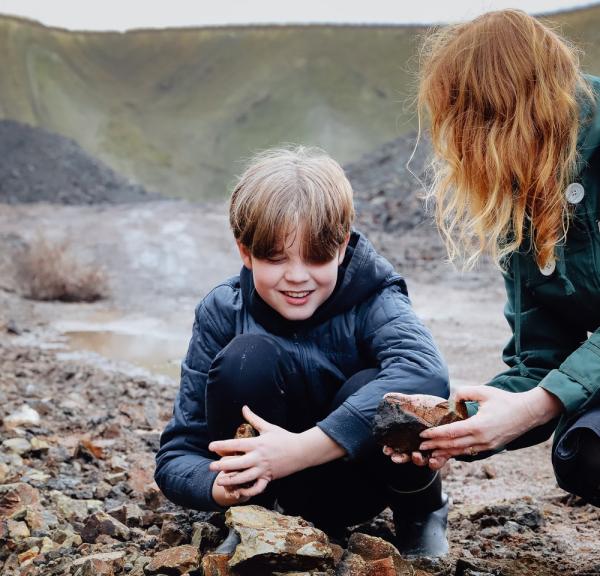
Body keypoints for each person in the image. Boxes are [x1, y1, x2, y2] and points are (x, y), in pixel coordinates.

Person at [155, 146, 450, 556]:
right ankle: (254, 521)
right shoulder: (223, 310)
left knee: (388, 390)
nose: (297, 277)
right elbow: (177, 454)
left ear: (343, 245)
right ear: (245, 250)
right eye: (276, 259)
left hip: (361, 486)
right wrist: (218, 487)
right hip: (269, 488)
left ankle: (421, 511)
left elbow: (427, 373)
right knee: (246, 358)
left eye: (317, 257)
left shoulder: (375, 297)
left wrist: (301, 449)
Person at [385, 9, 600, 507]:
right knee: (584, 453)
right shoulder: (525, 191)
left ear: (511, 111)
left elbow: (541, 397)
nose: (460, 146)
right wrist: (457, 425)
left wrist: (537, 406)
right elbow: (540, 356)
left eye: (468, 122)